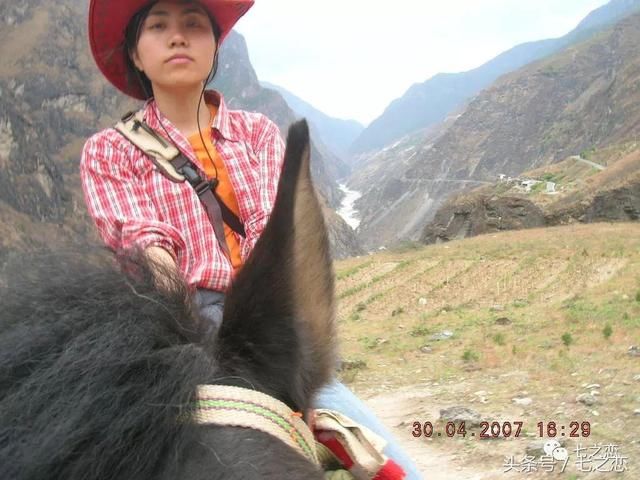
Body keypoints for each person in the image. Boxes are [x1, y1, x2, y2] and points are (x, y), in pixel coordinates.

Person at [81, 1, 422, 478]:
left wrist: (277, 329)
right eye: (158, 26)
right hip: (179, 319)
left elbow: (270, 224)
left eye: (193, 24)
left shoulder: (255, 132)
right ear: (136, 55)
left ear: (214, 45)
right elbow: (142, 238)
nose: (178, 37)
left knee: (383, 456)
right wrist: (185, 326)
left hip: (266, 317)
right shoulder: (109, 150)